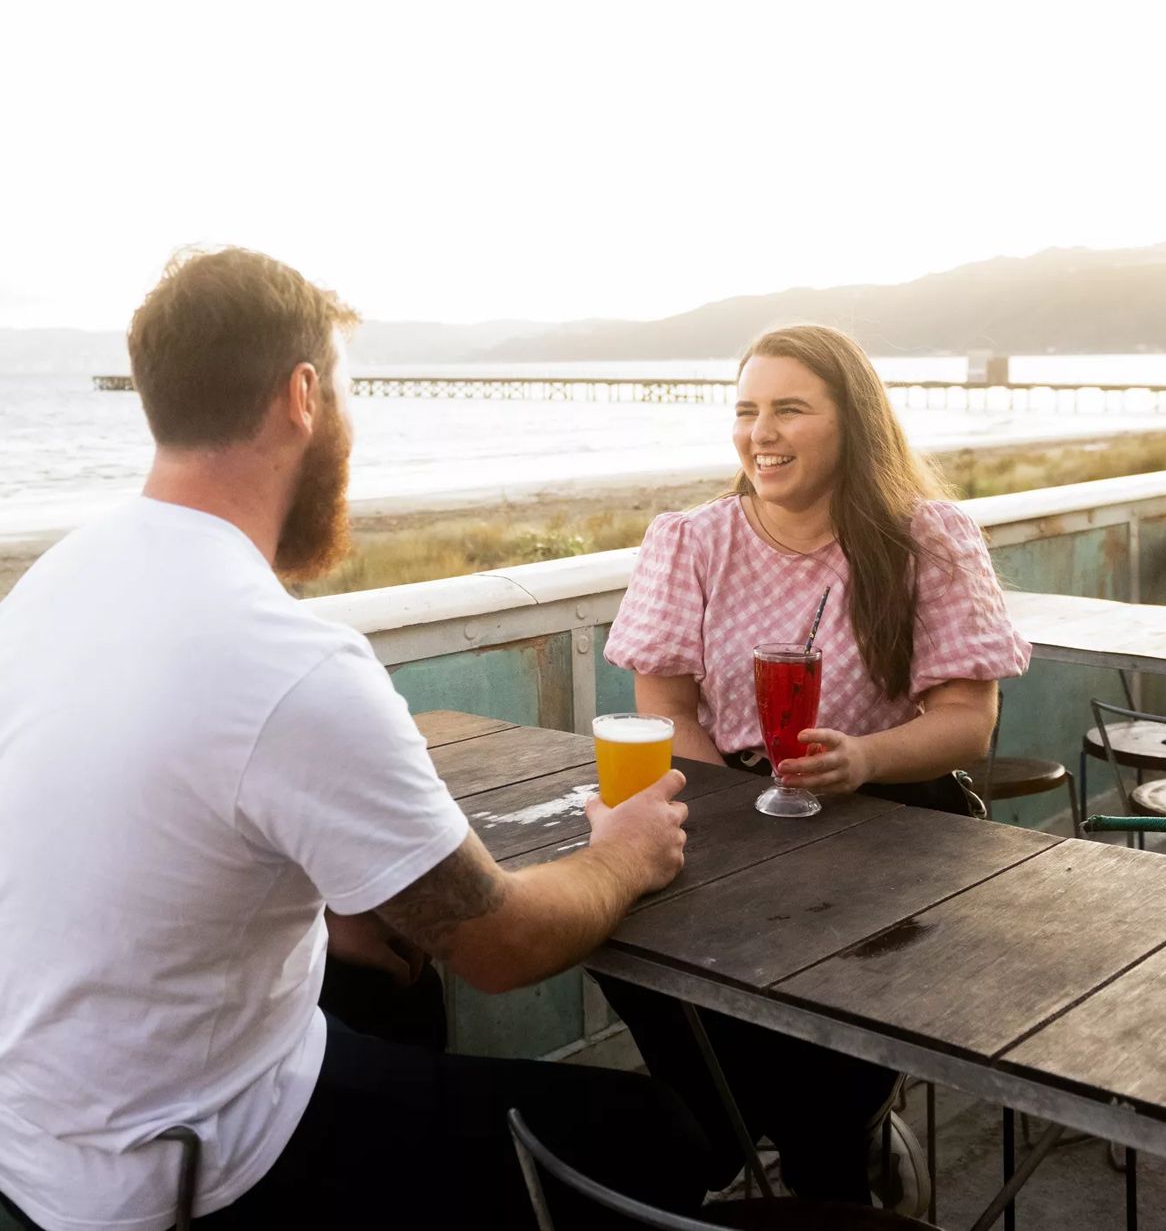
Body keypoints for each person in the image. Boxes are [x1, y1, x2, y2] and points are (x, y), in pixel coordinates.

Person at [0, 249, 709, 1231]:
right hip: (191, 1169)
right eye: (345, 389)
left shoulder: (54, 583)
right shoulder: (289, 660)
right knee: (654, 1133)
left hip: (41, 1146)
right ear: (302, 396)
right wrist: (623, 855)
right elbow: (501, 946)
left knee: (389, 983)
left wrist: (329, 905)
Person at [601, 323, 1031, 1211]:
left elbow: (967, 723)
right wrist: (739, 804)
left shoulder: (928, 539)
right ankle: (766, 1134)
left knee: (834, 1009)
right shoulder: (690, 541)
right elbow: (668, 711)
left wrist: (863, 755)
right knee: (610, 928)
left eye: (790, 409)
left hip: (894, 815)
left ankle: (815, 1148)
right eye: (747, 410)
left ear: (852, 423)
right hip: (730, 796)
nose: (761, 431)